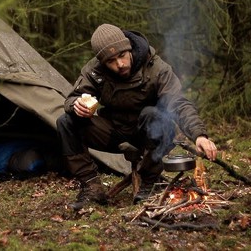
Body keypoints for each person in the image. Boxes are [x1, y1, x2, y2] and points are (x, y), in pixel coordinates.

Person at [56, 24, 217, 210]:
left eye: (122, 56)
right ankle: (91, 187)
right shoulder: (94, 70)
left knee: (156, 115)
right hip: (113, 131)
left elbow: (178, 103)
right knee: (66, 122)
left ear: (129, 48)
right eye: (111, 61)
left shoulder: (155, 67)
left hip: (149, 132)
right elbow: (72, 97)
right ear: (102, 62)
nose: (120, 64)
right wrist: (76, 105)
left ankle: (149, 181)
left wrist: (199, 135)